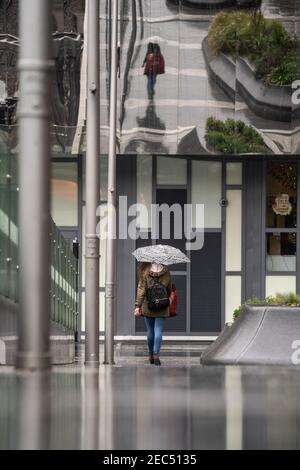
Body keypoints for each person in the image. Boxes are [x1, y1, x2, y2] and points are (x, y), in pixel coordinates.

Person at [134, 262, 172, 366]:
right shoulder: (167, 272)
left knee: (150, 330)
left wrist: (138, 306)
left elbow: (141, 290)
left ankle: (150, 355)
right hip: (162, 305)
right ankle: (156, 355)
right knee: (158, 330)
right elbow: (169, 289)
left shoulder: (145, 271)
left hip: (148, 304)